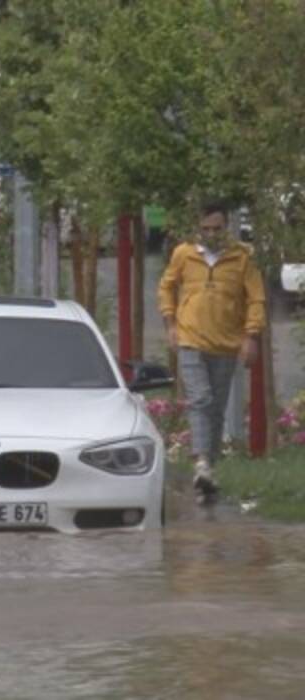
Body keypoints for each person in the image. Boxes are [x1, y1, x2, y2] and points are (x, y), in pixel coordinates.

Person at [158, 201, 266, 504]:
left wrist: (251, 337)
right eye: (206, 229)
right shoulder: (184, 254)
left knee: (215, 408)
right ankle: (201, 462)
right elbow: (166, 287)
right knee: (200, 398)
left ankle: (209, 473)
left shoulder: (242, 257)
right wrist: (170, 323)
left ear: (227, 227)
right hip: (190, 339)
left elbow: (256, 299)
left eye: (217, 228)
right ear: (198, 229)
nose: (212, 234)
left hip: (226, 344)